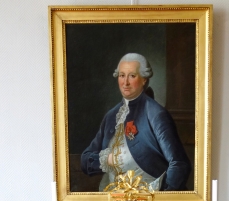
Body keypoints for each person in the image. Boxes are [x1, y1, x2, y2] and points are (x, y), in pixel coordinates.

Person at [81, 53, 191, 191]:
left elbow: (179, 163)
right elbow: (85, 161)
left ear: (144, 79)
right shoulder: (111, 116)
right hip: (112, 197)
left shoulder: (156, 114)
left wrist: (163, 198)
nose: (125, 82)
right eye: (122, 75)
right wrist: (108, 160)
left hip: (149, 198)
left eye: (132, 76)